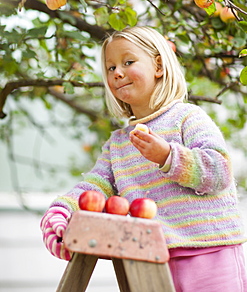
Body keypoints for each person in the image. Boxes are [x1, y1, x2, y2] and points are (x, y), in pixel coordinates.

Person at [41, 26, 247, 291]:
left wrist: (168, 157)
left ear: (158, 66)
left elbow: (219, 173)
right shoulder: (118, 144)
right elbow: (93, 187)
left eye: (128, 62)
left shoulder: (187, 117)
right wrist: (61, 212)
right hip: (149, 263)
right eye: (110, 68)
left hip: (208, 251)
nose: (117, 72)